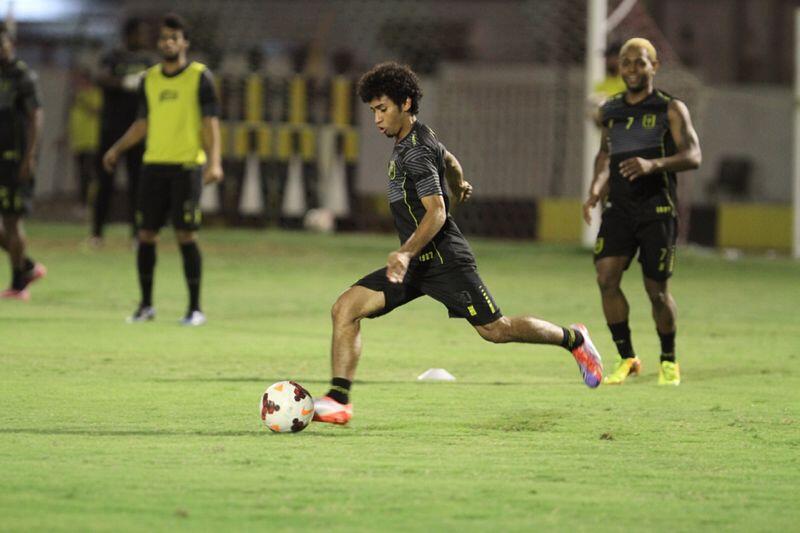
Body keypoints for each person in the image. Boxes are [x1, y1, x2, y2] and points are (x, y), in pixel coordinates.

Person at [312, 62, 603, 425]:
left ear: (405, 103)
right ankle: (339, 401)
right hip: (415, 263)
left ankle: (575, 339)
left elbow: (436, 213)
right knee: (345, 309)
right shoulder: (420, 137)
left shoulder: (416, 151)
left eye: (382, 109)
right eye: (373, 111)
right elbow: (448, 158)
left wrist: (404, 252)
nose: (377, 119)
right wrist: (459, 182)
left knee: (496, 330)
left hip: (444, 259)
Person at [582, 38, 701, 386]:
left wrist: (653, 164)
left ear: (654, 66)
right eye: (626, 62)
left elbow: (693, 155)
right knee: (606, 278)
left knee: (656, 291)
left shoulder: (670, 108)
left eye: (640, 62)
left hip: (657, 209)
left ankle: (668, 360)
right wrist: (595, 189)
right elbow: (605, 155)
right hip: (618, 209)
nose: (632, 69)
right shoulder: (612, 110)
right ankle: (627, 358)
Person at [102, 13, 223, 326]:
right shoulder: (149, 79)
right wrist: (117, 148)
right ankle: (146, 306)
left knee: (186, 235)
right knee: (146, 235)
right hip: (153, 166)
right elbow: (143, 123)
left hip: (187, 166)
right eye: (164, 38)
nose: (168, 43)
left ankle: (195, 309)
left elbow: (210, 123)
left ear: (185, 43)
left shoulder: (199, 77)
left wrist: (215, 162)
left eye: (174, 38)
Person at [91, 17, 153, 247]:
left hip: (137, 130)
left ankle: (137, 233)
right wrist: (124, 82)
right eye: (141, 33)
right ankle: (97, 232)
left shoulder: (147, 61)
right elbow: (100, 77)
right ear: (130, 35)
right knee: (104, 181)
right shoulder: (113, 57)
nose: (144, 38)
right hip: (112, 129)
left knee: (138, 183)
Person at [0, 22, 46, 300]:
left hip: (15, 159)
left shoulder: (23, 76)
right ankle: (27, 266)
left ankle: (19, 284)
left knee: (12, 220)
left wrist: (29, 157)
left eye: (3, 45)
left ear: (12, 45)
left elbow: (35, 117)